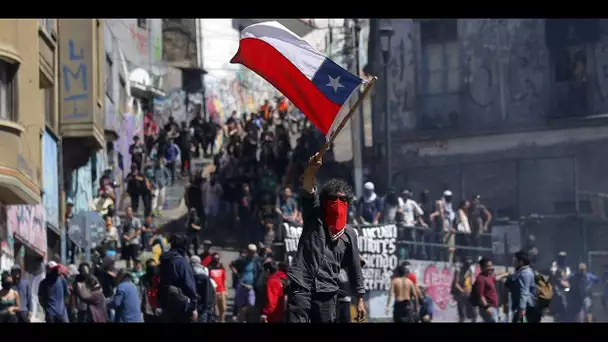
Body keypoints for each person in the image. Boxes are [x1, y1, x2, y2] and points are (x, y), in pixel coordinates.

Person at [287, 152, 366, 323]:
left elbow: (355, 269)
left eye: (342, 199)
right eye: (332, 198)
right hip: (301, 284)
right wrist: (311, 170)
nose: (337, 202)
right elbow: (308, 190)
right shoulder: (314, 217)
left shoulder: (349, 234)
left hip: (327, 291)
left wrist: (359, 299)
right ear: (324, 200)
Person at [158, 233, 198, 322]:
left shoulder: (164, 259)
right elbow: (189, 284)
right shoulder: (181, 262)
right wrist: (194, 305)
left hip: (164, 301)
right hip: (180, 304)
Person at [232, 244, 262, 322]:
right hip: (242, 285)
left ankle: (243, 317)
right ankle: (242, 319)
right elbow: (232, 265)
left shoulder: (256, 261)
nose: (253, 253)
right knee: (240, 305)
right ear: (248, 251)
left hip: (251, 286)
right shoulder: (242, 259)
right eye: (251, 252)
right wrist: (237, 275)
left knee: (251, 304)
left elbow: (259, 271)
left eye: (254, 252)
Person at [474, 257, 508, 323]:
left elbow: (495, 278)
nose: (490, 268)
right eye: (488, 266)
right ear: (482, 267)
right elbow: (481, 295)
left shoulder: (488, 277)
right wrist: (487, 307)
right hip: (489, 308)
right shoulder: (481, 279)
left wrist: (504, 274)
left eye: (491, 265)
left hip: (494, 307)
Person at [511, 250, 538, 323]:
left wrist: (522, 309)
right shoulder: (524, 272)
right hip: (525, 307)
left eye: (515, 260)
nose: (513, 262)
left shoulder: (524, 274)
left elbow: (524, 292)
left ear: (521, 262)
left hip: (526, 308)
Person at [190, 256, 216, 322]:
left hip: (198, 307)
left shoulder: (188, 274)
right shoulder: (204, 275)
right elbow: (211, 293)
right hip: (201, 307)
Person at [452, 258, 477, 323]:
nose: (469, 266)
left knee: (473, 314)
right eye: (467, 264)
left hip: (469, 294)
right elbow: (456, 283)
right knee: (462, 314)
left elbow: (471, 282)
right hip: (461, 294)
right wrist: (462, 291)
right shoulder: (459, 271)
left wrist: (471, 290)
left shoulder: (470, 271)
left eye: (470, 264)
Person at [208, 252, 227, 322]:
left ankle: (222, 320)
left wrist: (226, 290)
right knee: (214, 309)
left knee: (223, 308)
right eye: (215, 258)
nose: (216, 260)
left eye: (217, 258)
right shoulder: (209, 268)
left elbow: (224, 279)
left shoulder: (221, 267)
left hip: (221, 290)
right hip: (213, 291)